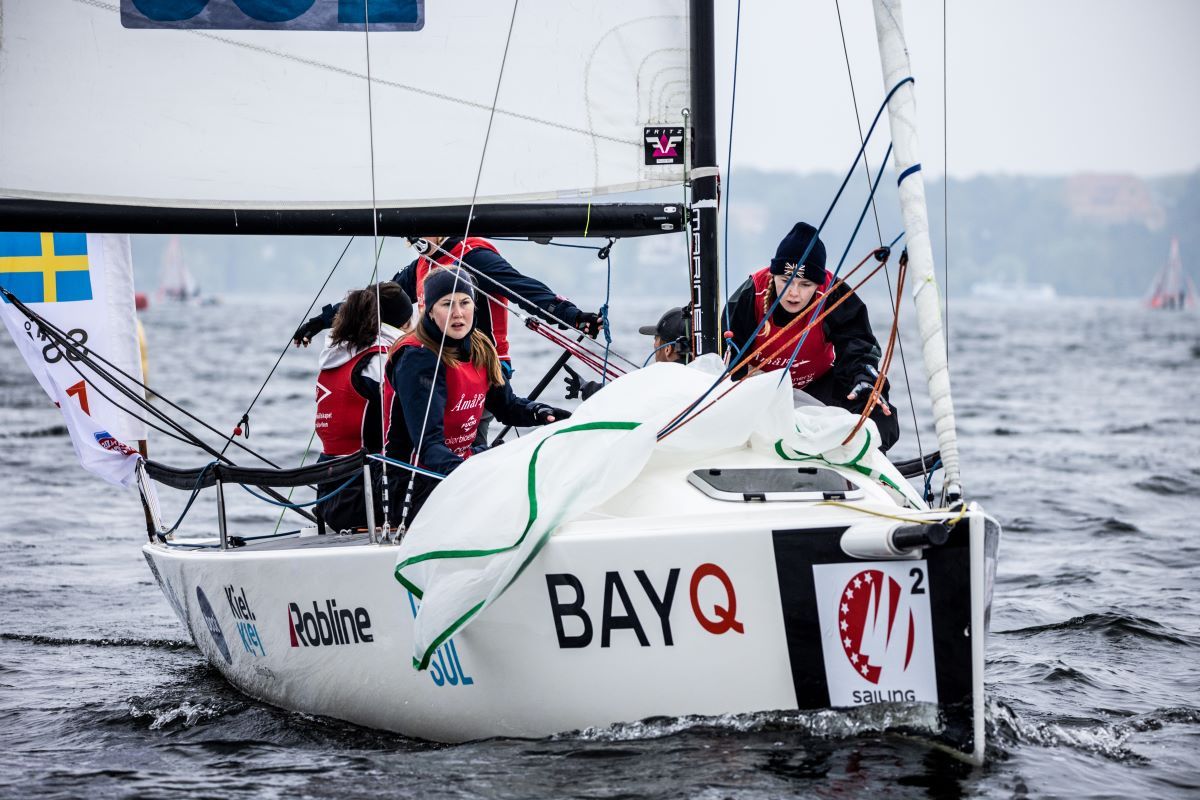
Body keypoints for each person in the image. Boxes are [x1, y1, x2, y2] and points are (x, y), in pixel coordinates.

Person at [384, 268, 571, 518]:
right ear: (429, 310)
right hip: (414, 485)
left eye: (465, 302)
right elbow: (429, 446)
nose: (458, 313)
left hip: (458, 470)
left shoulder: (480, 346)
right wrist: (475, 475)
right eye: (447, 304)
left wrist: (540, 413)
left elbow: (506, 406)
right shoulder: (417, 359)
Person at [724, 221, 900, 452]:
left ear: (818, 283)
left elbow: (858, 346)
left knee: (877, 407)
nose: (793, 293)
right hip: (760, 390)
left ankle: (862, 465)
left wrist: (864, 379)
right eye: (785, 281)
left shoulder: (833, 294)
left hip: (815, 386)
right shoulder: (751, 293)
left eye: (805, 284)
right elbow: (725, 353)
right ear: (773, 275)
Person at [313, 282, 414, 531]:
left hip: (328, 495)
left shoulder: (335, 355)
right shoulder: (381, 363)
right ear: (403, 325)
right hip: (365, 499)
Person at [563, 306, 691, 401]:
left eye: (655, 339)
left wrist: (584, 387)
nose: (654, 345)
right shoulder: (702, 374)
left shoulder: (657, 383)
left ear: (668, 349)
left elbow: (623, 396)